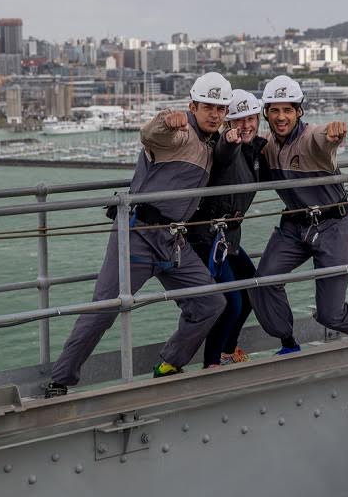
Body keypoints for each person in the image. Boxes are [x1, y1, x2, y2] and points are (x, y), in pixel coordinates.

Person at [45, 73, 232, 397]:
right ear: (192, 105)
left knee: (211, 303)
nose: (215, 114)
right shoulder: (180, 132)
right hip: (138, 237)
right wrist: (166, 121)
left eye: (221, 108)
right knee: (104, 309)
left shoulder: (209, 141)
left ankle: (170, 363)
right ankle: (60, 381)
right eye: (208, 107)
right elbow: (150, 135)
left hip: (174, 244)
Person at [249, 75, 348, 355]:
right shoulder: (266, 146)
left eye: (288, 110)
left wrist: (333, 134)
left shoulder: (310, 138)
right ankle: (288, 343)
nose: (281, 117)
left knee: (331, 314)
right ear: (266, 113)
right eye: (274, 110)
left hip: (333, 226)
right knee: (261, 282)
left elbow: (322, 138)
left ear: (299, 112)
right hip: (294, 225)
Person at [187, 89, 266, 367]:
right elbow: (223, 154)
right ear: (227, 124)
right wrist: (229, 141)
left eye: (251, 118)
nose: (245, 126)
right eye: (238, 120)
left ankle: (227, 351)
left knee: (253, 289)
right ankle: (212, 365)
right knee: (230, 302)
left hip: (228, 235)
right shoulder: (226, 146)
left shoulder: (256, 148)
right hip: (206, 236)